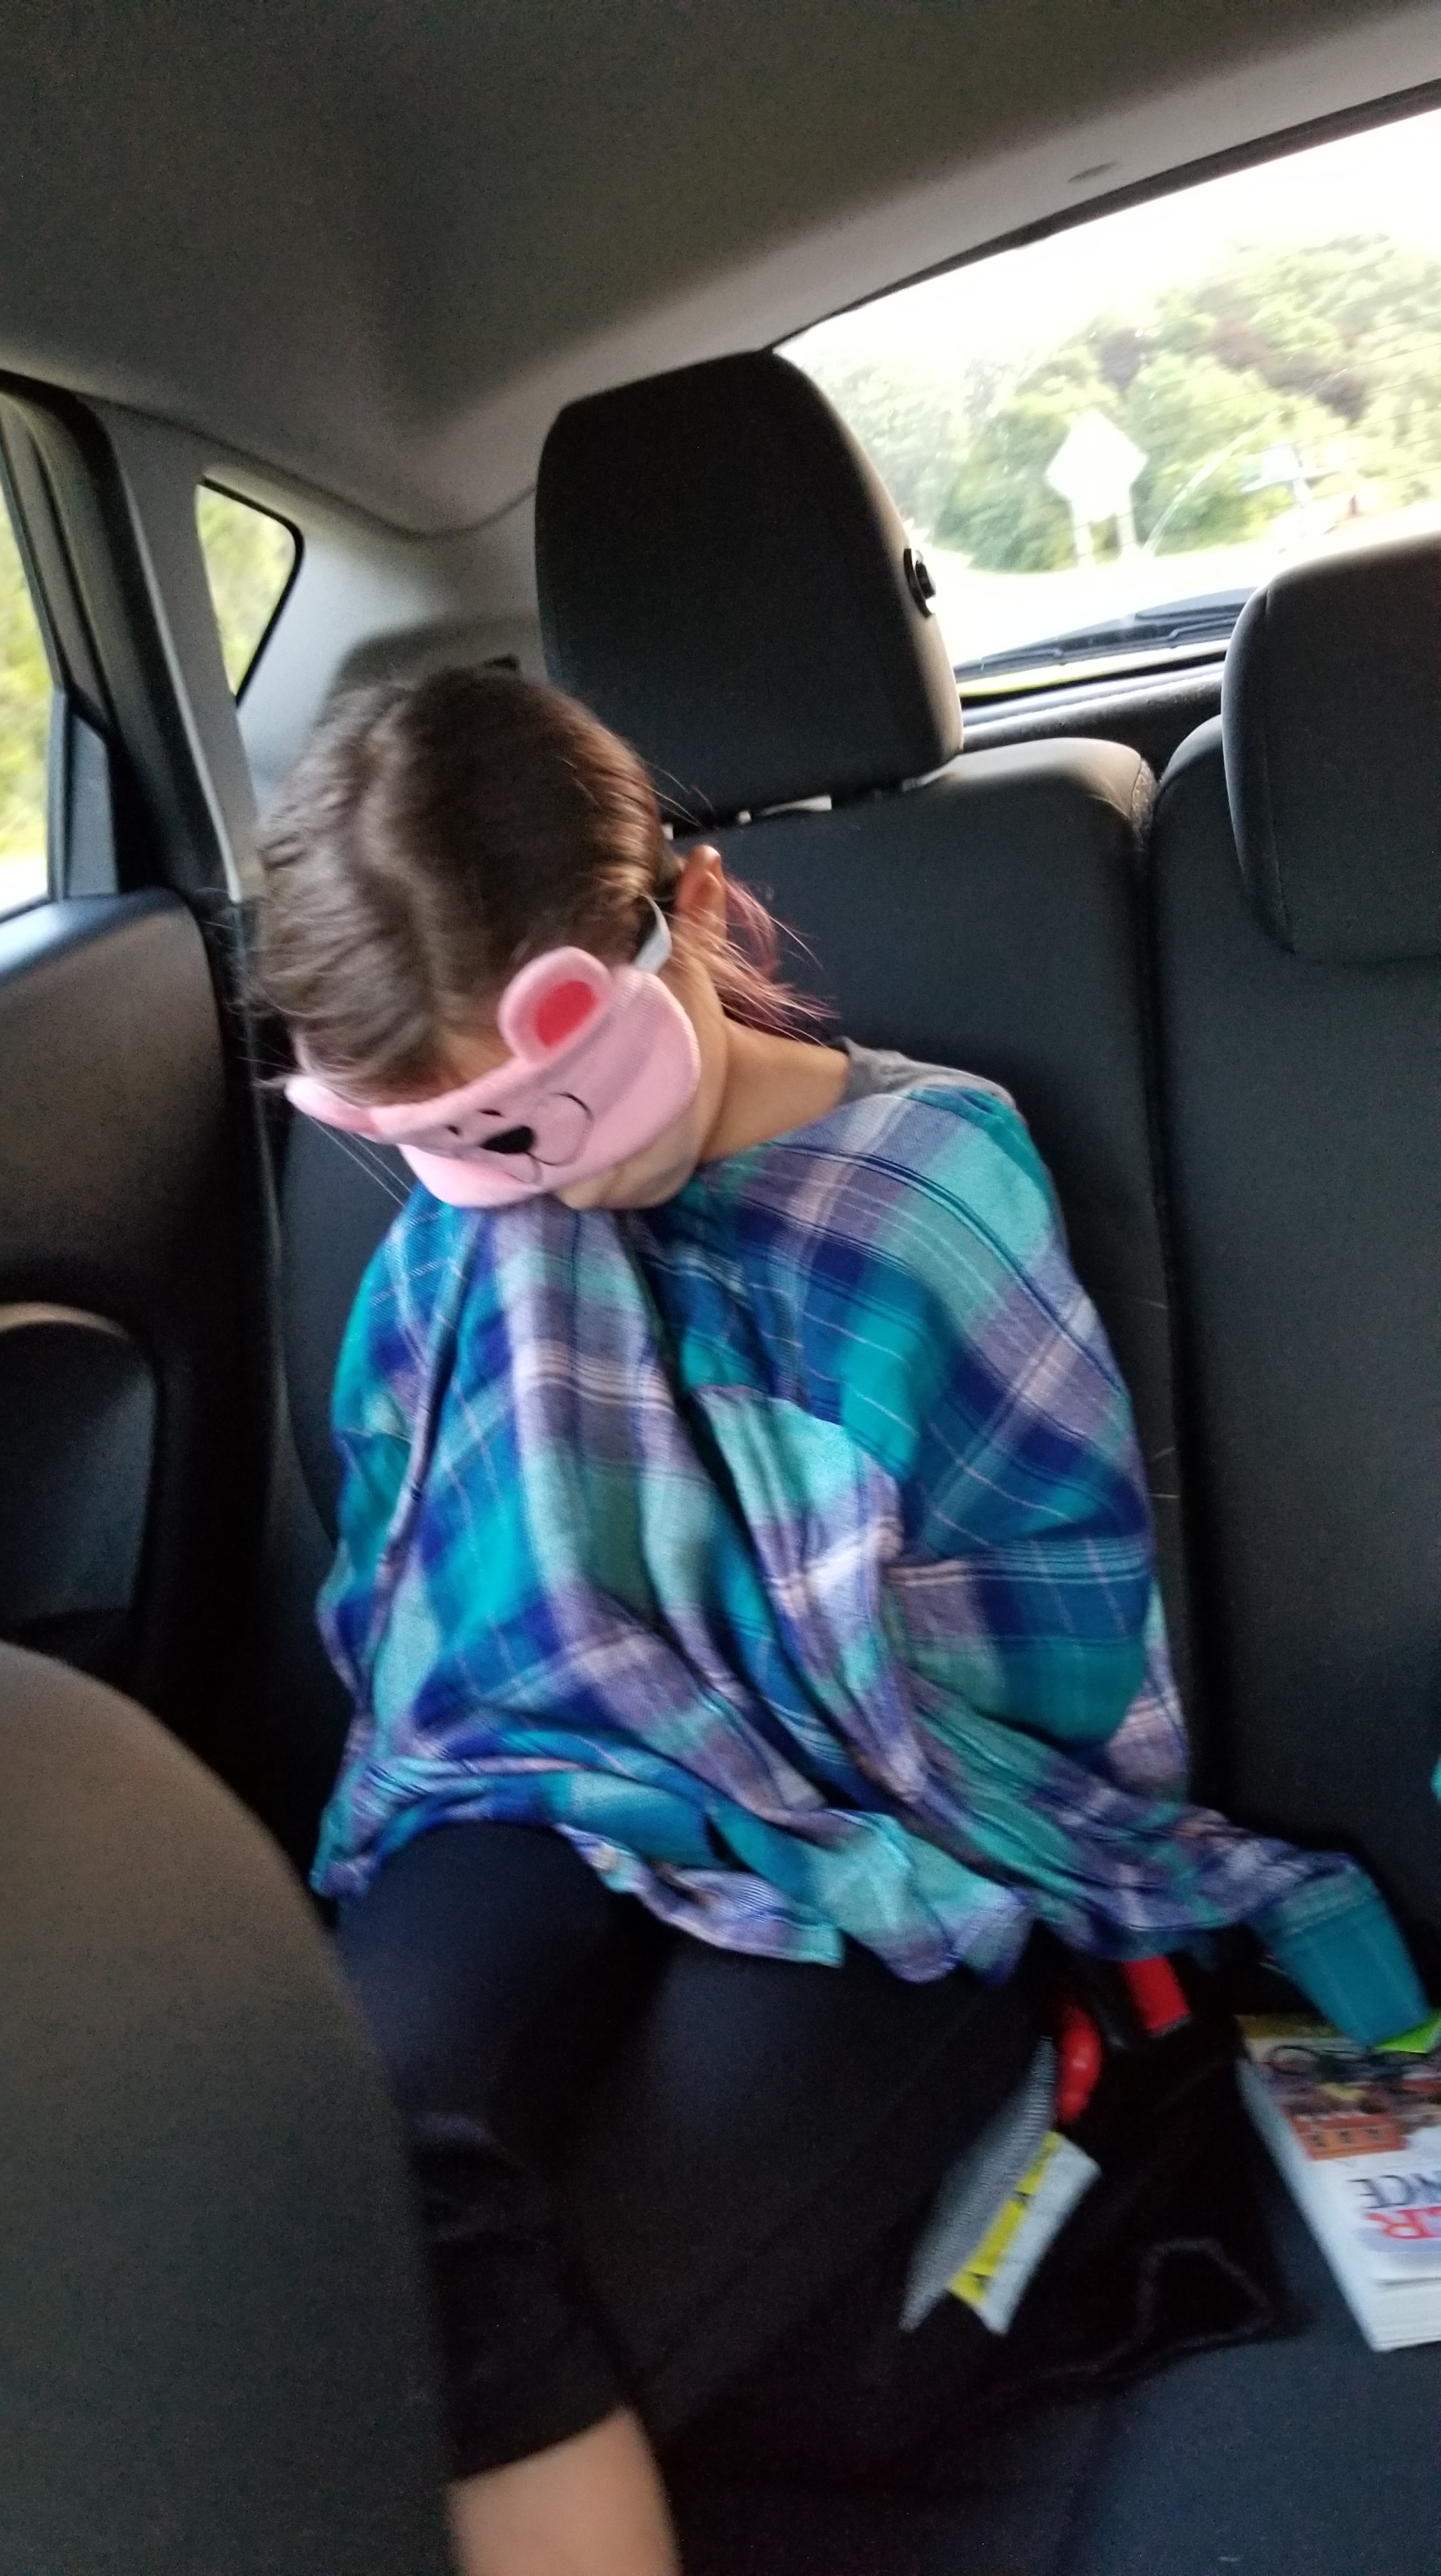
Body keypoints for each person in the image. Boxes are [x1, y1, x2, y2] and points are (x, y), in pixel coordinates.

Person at [253, 665, 1425, 2576]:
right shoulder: (460, 1239)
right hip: (534, 1777)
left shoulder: (922, 1180)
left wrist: (788, 1713)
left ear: (699, 910)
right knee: (355, 2194)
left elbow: (1044, 1625)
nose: (550, 1178)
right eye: (466, 1140)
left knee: (565, 2325)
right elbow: (422, 1578)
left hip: (889, 1820)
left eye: (570, 1103)